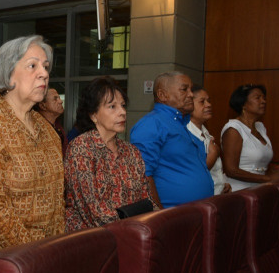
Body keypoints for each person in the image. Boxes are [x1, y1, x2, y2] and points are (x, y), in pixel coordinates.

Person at [0, 34, 65, 259]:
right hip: (0, 262)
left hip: (47, 257)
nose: (44, 73)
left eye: (45, 67)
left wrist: (57, 249)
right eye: (32, 66)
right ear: (7, 73)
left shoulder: (48, 131)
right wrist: (37, 253)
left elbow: (58, 202)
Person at [65, 77, 155, 231]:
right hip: (92, 239)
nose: (122, 112)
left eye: (123, 106)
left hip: (133, 233)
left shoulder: (131, 151)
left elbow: (146, 200)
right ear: (93, 115)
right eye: (112, 107)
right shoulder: (81, 148)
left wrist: (158, 219)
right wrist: (134, 227)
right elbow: (93, 211)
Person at [129, 71, 213, 208]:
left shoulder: (181, 124)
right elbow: (143, 175)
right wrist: (160, 216)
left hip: (196, 211)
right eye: (184, 89)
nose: (191, 94)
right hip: (171, 216)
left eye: (191, 89)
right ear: (162, 95)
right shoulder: (151, 124)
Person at [221, 83, 279, 191]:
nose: (263, 101)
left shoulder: (260, 127)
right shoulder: (234, 129)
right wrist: (269, 178)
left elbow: (255, 166)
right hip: (238, 192)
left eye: (264, 98)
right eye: (257, 98)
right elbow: (231, 170)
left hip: (260, 189)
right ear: (243, 104)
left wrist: (276, 172)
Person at [187, 85, 230, 195]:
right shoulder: (186, 133)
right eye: (202, 102)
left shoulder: (205, 131)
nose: (209, 105)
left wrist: (222, 182)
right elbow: (194, 173)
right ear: (189, 105)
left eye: (209, 101)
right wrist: (213, 154)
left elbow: (215, 170)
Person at [35, 87, 67, 154]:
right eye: (55, 99)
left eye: (59, 98)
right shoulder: (36, 129)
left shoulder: (57, 125)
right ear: (42, 106)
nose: (61, 101)